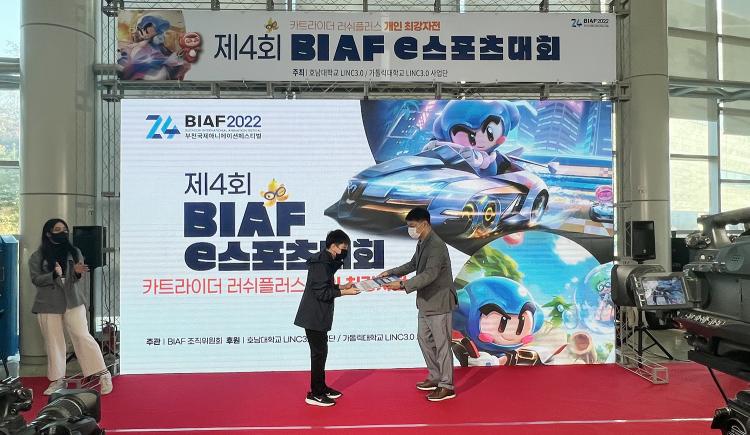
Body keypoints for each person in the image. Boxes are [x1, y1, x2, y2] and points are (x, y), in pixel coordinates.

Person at [379, 207, 458, 401]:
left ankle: (447, 386)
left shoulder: (437, 245)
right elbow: (413, 264)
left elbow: (430, 274)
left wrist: (403, 285)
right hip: (425, 302)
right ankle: (435, 376)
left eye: (412, 226)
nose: (410, 230)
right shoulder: (423, 242)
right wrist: (391, 273)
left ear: (424, 224)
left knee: (442, 345)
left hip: (439, 302)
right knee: (424, 340)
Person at [28, 219, 113, 396]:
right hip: (48, 302)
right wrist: (53, 275)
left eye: (65, 230)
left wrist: (76, 273)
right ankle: (57, 380)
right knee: (54, 341)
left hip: (72, 300)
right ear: (48, 233)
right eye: (58, 229)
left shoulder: (75, 251)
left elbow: (75, 277)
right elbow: (36, 279)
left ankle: (103, 374)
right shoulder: (37, 256)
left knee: (82, 335)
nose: (63, 232)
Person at [294, 230, 359, 407]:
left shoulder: (326, 261)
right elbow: (322, 292)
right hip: (313, 316)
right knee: (318, 354)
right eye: (343, 248)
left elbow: (324, 285)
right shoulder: (320, 263)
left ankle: (321, 387)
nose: (345, 251)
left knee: (321, 353)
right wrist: (345, 292)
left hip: (318, 315)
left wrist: (341, 286)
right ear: (333, 246)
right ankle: (315, 393)